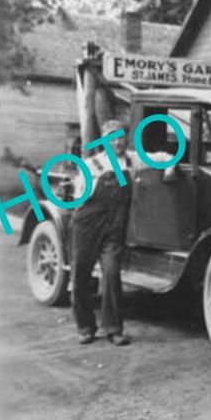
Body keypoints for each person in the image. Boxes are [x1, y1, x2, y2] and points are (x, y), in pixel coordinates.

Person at [69, 118, 137, 346]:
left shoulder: (132, 161)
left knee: (111, 273)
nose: (117, 142)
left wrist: (170, 168)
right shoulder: (91, 165)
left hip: (114, 227)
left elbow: (162, 157)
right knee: (80, 273)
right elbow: (78, 197)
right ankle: (85, 327)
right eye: (112, 138)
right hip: (88, 224)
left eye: (121, 137)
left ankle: (114, 329)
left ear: (126, 139)